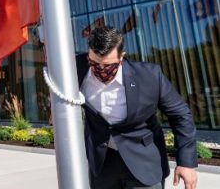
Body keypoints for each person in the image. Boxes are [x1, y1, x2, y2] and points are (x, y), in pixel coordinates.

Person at [77, 26, 198, 189]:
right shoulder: (75, 69)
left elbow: (181, 115)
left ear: (122, 57)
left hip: (143, 162)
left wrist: (186, 162)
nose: (101, 70)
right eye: (94, 63)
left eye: (108, 66)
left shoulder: (149, 76)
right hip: (102, 165)